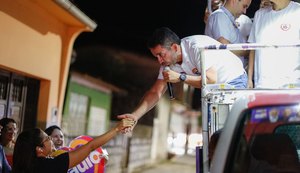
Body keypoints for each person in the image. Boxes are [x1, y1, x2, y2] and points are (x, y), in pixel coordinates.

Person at [118, 27, 247, 132]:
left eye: (161, 55)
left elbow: (211, 79)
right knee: (213, 134)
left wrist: (181, 77)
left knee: (227, 133)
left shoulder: (196, 47)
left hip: (233, 80)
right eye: (156, 56)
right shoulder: (168, 64)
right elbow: (155, 92)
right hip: (215, 90)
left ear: (174, 47)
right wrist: (135, 115)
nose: (159, 61)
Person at [11, 118, 134, 173]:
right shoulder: (49, 166)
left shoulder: (24, 166)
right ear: (39, 149)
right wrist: (116, 129)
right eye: (48, 138)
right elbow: (90, 146)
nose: (52, 141)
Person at [247, 0, 300, 88]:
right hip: (262, 84)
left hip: (291, 85)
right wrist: (249, 79)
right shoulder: (260, 14)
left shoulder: (297, 11)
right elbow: (253, 48)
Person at [205, 0, 252, 67]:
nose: (245, 11)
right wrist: (250, 51)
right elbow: (225, 46)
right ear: (234, 1)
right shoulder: (220, 16)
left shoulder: (226, 17)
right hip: (226, 73)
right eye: (244, 6)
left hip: (231, 72)